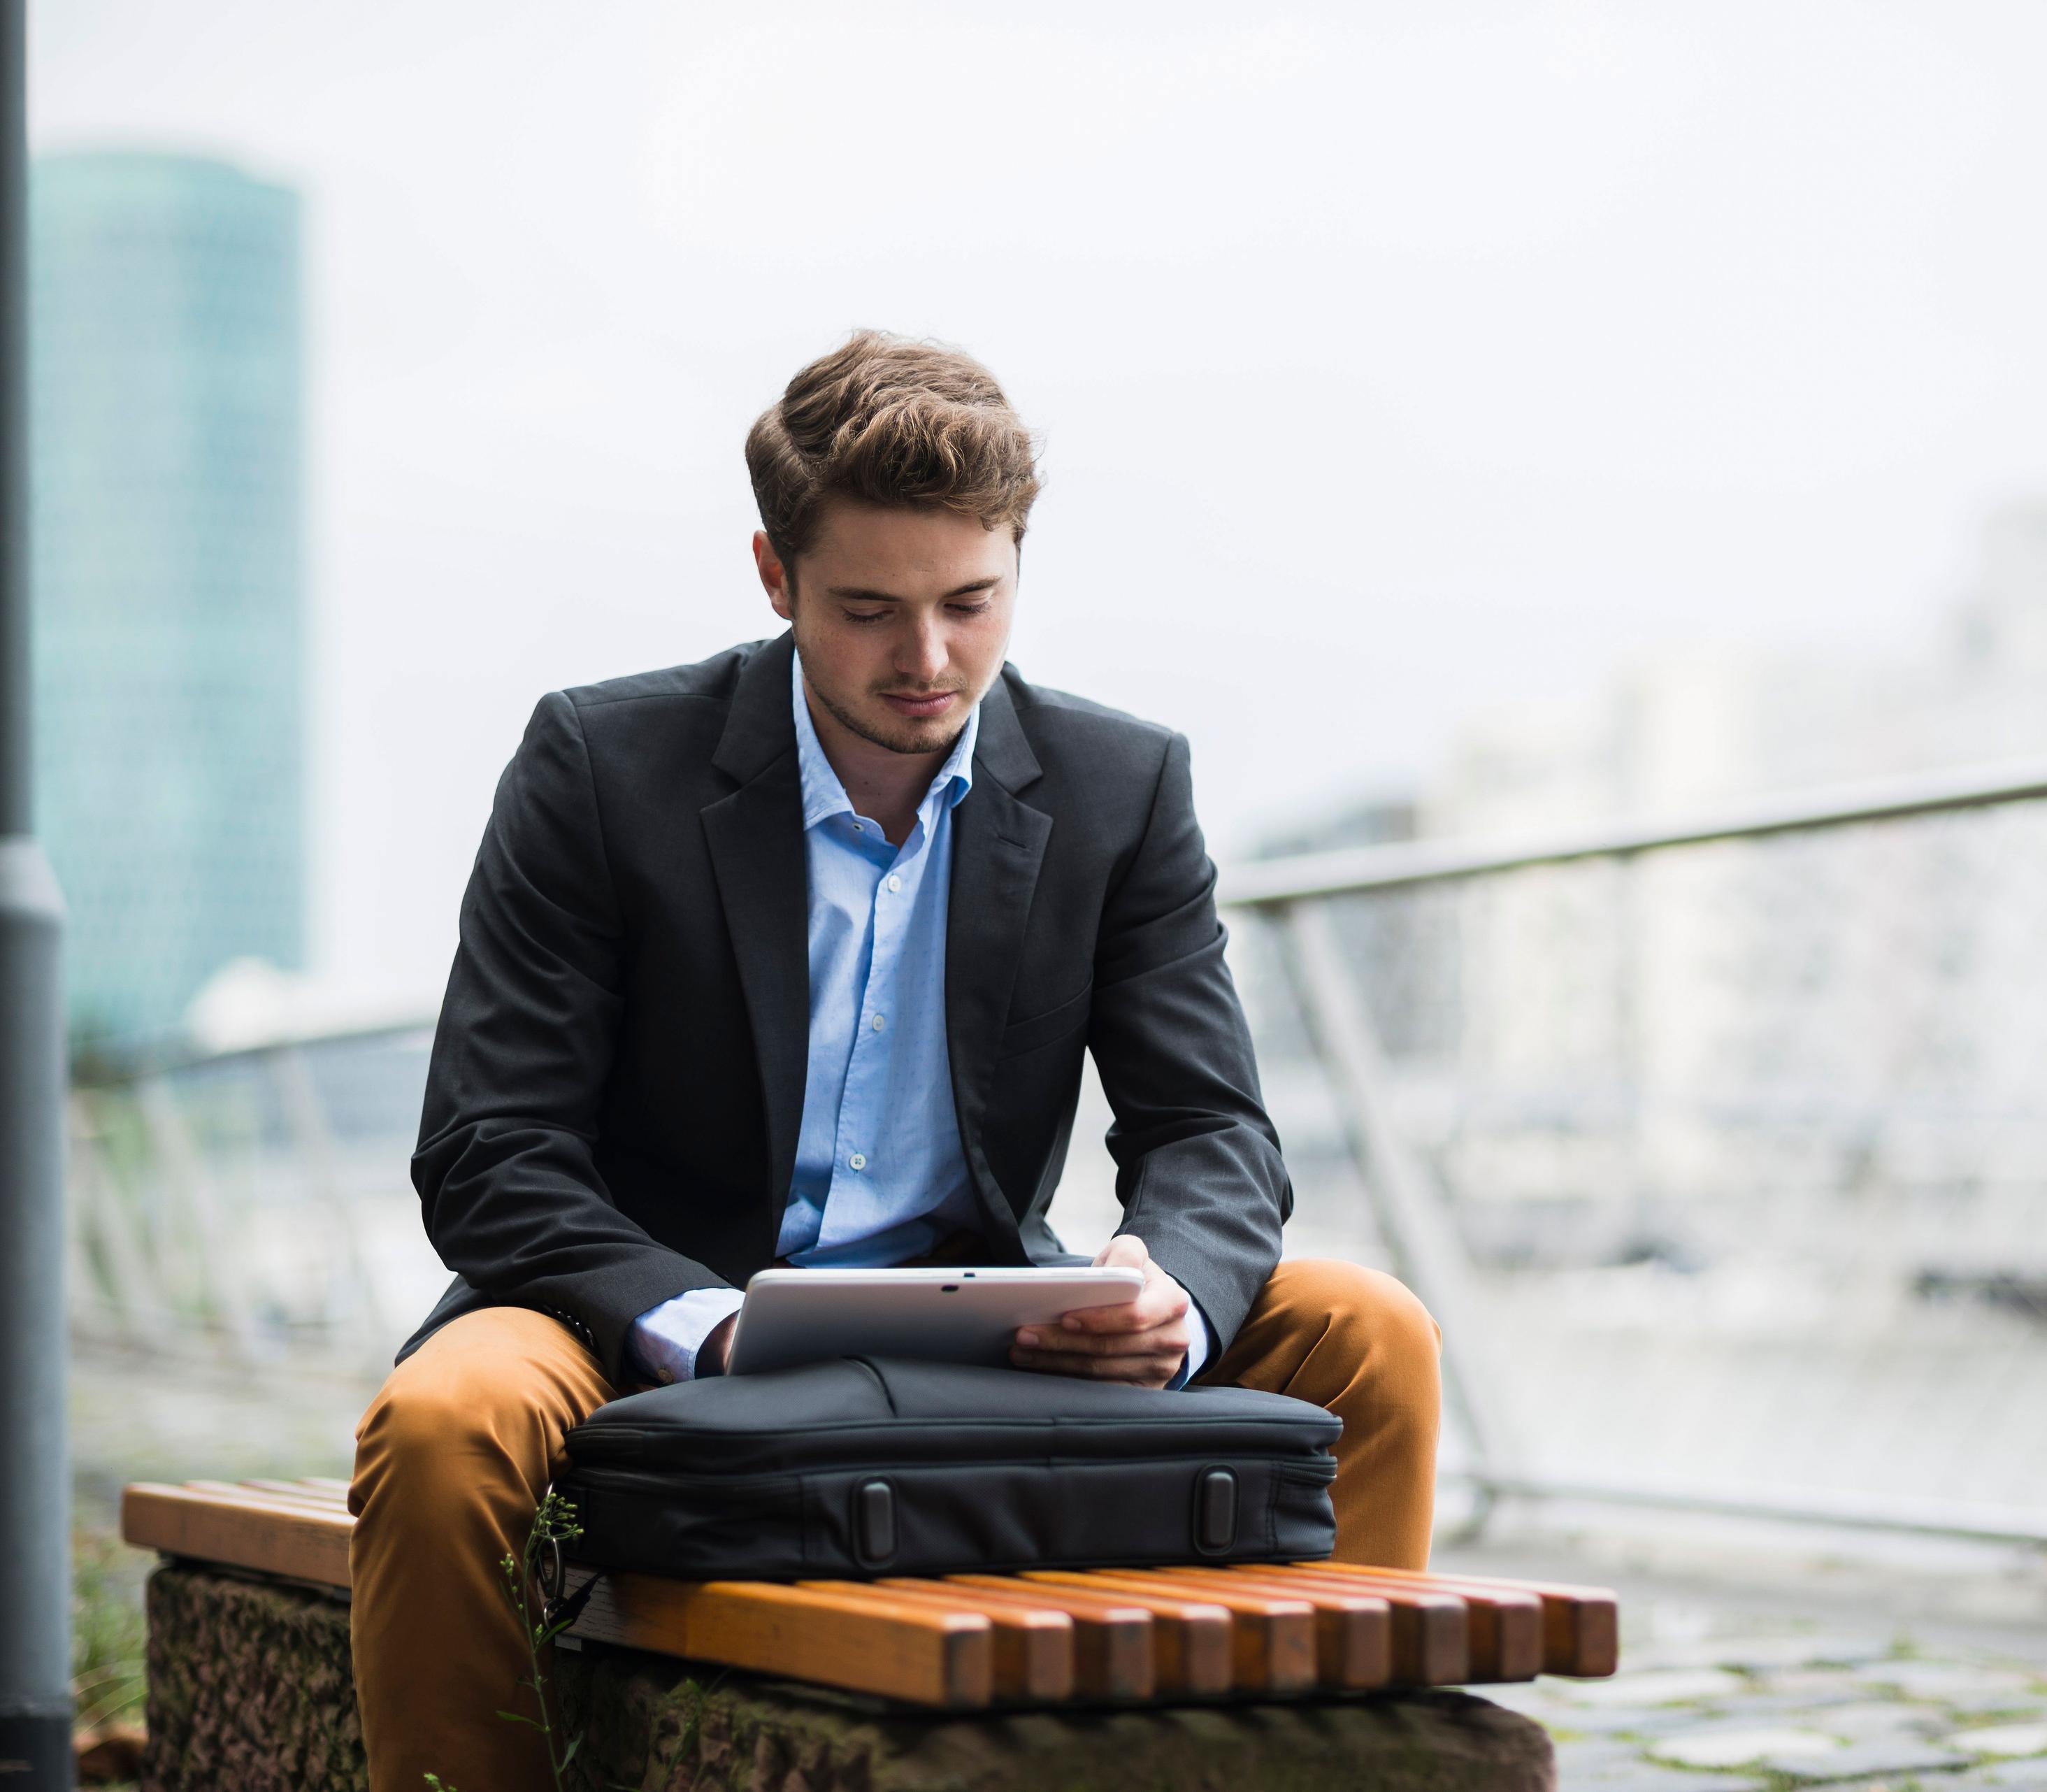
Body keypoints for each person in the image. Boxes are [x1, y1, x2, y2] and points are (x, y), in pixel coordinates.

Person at [345, 333, 1442, 1792]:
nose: (928, 660)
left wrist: (1166, 1290)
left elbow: (1211, 1130)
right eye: (869, 611)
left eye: (970, 603)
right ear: (774, 574)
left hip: (982, 1316)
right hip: (632, 1316)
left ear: (1016, 566)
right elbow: (491, 1148)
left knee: (1373, 1331)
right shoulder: (603, 767)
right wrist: (700, 1323)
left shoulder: (1120, 788)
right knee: (440, 1426)